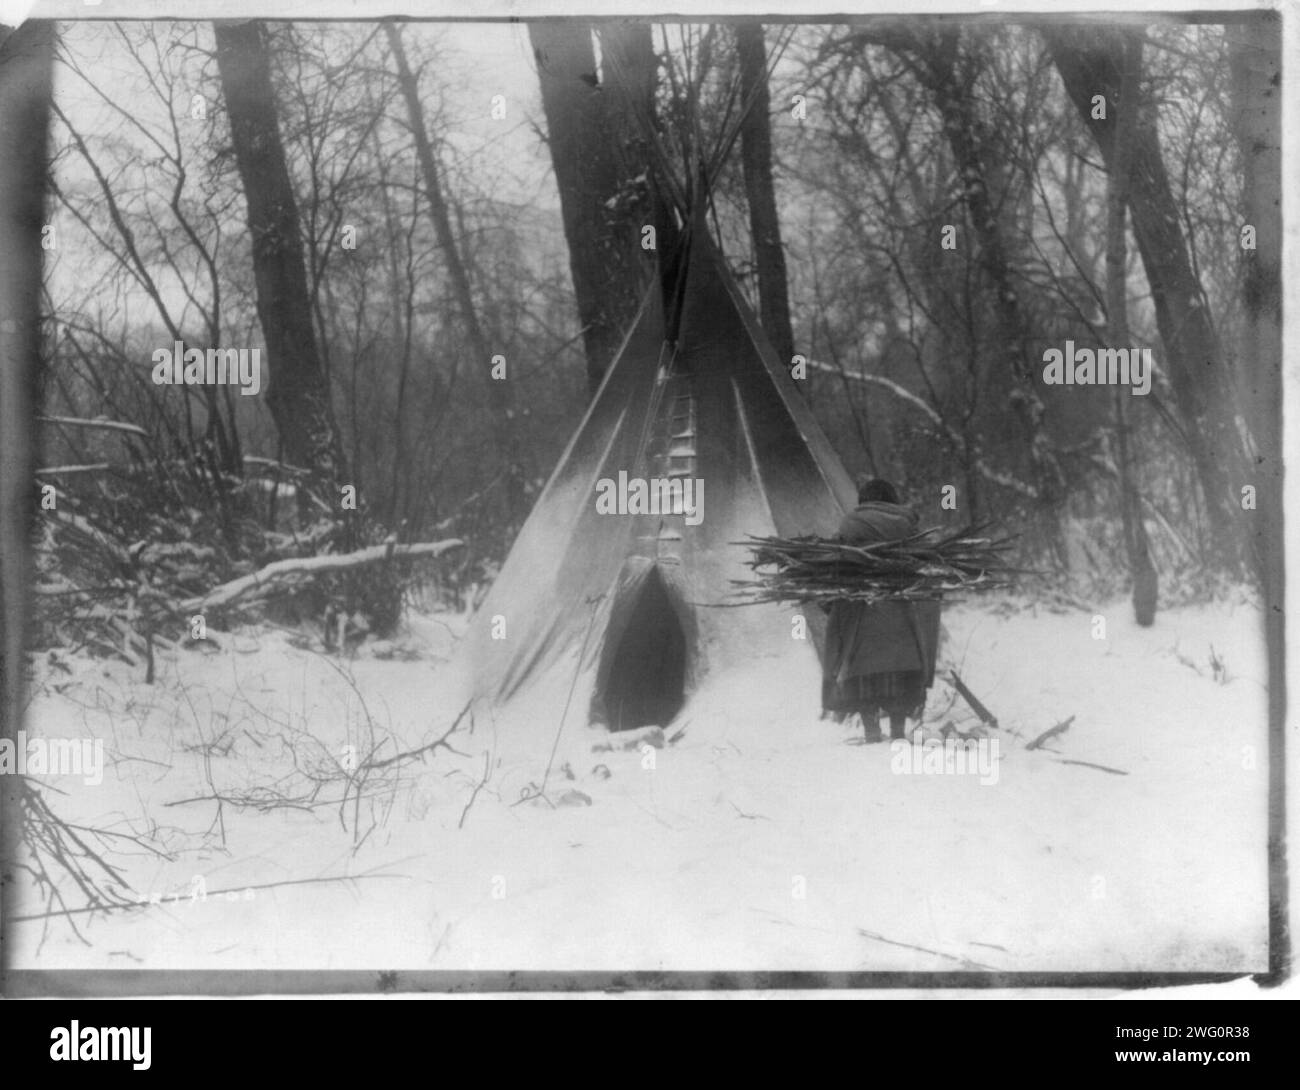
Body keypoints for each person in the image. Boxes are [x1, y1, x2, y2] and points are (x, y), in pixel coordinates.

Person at [822, 478, 941, 744]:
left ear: (864, 501)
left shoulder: (849, 527)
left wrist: (828, 602)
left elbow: (832, 570)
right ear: (892, 500)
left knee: (863, 674)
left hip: (861, 617)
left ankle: (871, 731)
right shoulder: (909, 528)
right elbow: (927, 568)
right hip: (901, 619)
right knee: (899, 673)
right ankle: (898, 732)